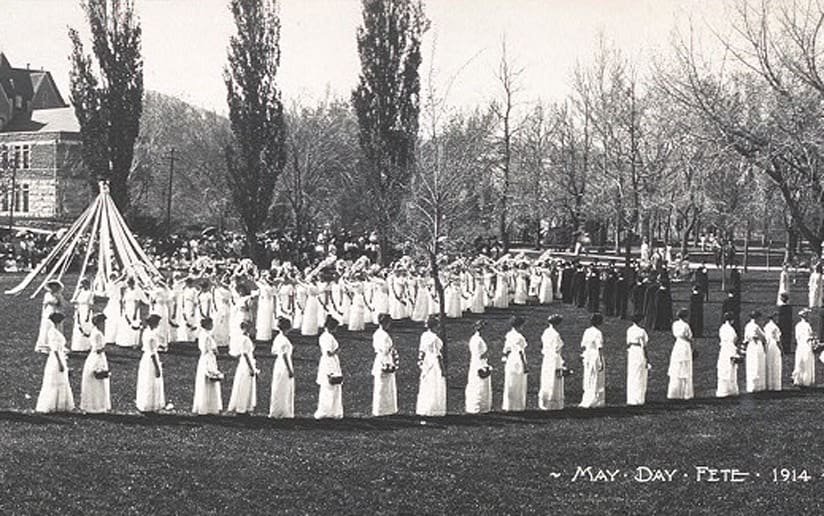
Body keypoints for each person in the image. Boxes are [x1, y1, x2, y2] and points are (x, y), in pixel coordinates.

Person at [35, 312, 74, 413]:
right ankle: (52, 404)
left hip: (60, 356)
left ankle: (61, 404)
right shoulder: (52, 332)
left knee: (62, 379)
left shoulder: (56, 331)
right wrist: (60, 363)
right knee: (55, 379)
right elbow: (54, 349)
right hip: (55, 358)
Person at [416, 315, 447, 417]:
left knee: (427, 383)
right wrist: (442, 368)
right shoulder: (435, 338)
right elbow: (438, 355)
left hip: (426, 362)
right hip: (433, 362)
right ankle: (434, 409)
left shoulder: (424, 335)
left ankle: (425, 408)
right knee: (435, 383)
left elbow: (421, 351)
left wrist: (420, 362)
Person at [80, 313, 111, 414]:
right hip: (98, 358)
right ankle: (97, 406)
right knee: (97, 380)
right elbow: (98, 350)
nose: (104, 324)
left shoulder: (94, 331)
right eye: (102, 322)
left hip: (93, 357)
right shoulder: (97, 333)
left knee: (94, 381)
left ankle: (93, 405)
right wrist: (105, 348)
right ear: (98, 322)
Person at [192, 318, 223, 415]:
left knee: (207, 381)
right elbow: (207, 349)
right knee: (207, 379)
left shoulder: (204, 335)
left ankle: (208, 406)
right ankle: (206, 407)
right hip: (208, 359)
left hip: (207, 358)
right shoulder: (206, 336)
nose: (212, 325)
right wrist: (213, 352)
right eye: (211, 323)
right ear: (207, 325)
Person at [315, 316, 344, 419]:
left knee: (331, 386)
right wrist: (337, 351)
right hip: (329, 362)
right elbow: (328, 352)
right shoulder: (328, 337)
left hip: (330, 361)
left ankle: (332, 410)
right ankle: (328, 411)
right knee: (330, 385)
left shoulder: (324, 336)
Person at [136, 314, 165, 413]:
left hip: (146, 358)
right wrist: (157, 367)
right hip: (151, 359)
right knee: (151, 380)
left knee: (147, 380)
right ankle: (150, 404)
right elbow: (152, 352)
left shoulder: (146, 332)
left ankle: (146, 403)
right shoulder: (151, 335)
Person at [227, 320, 258, 414]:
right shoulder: (244, 339)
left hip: (245, 362)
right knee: (244, 385)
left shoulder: (244, 338)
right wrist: (251, 368)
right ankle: (241, 407)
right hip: (245, 363)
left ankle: (245, 407)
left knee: (245, 385)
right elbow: (245, 354)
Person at [371, 314, 398, 416]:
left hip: (380, 358)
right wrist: (392, 349)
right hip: (384, 359)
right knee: (384, 384)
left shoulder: (377, 333)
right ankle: (384, 409)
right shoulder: (384, 335)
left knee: (381, 385)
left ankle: (382, 408)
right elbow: (385, 350)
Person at [269, 317, 295, 418]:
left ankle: (277, 409)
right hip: (284, 363)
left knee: (278, 386)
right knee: (284, 386)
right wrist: (289, 370)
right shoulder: (284, 340)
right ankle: (283, 411)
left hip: (278, 363)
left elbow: (273, 351)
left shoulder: (278, 338)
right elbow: (284, 355)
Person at [465, 320, 493, 414]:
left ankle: (481, 405)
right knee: (479, 384)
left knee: (479, 384)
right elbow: (478, 355)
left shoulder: (474, 338)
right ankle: (477, 406)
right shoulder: (477, 340)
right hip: (479, 363)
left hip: (477, 362)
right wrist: (483, 366)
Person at [539, 314, 565, 411]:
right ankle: (553, 402)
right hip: (554, 358)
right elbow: (557, 349)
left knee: (547, 377)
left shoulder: (546, 332)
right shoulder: (555, 335)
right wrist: (561, 361)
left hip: (546, 358)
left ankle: (545, 401)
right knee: (554, 378)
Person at [502, 316, 529, 411]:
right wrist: (525, 365)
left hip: (511, 359)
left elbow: (506, 349)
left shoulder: (509, 334)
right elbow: (520, 352)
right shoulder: (519, 337)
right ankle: (517, 405)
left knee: (511, 380)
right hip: (517, 359)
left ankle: (509, 404)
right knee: (518, 381)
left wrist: (505, 358)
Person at [579, 313, 605, 408]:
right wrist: (601, 360)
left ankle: (587, 398)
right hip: (594, 355)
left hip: (587, 354)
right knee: (596, 376)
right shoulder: (598, 333)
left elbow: (583, 345)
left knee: (588, 376)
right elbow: (599, 347)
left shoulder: (587, 331)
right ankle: (595, 399)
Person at [668, 309, 694, 400]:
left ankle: (674, 392)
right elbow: (689, 336)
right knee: (685, 366)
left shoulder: (675, 324)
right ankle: (685, 393)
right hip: (685, 345)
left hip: (678, 345)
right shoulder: (686, 325)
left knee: (677, 366)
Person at [35, 280, 65, 353]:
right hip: (47, 311)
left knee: (55, 326)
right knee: (46, 327)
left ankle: (56, 345)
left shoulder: (59, 295)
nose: (53, 287)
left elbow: (61, 305)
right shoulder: (47, 294)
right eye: (52, 286)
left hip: (55, 311)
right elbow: (45, 304)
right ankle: (44, 345)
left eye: (55, 286)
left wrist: (57, 303)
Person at [626, 314, 649, 406]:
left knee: (632, 373)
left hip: (631, 352)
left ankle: (631, 397)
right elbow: (645, 346)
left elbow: (628, 342)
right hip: (639, 351)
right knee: (639, 373)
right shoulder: (642, 331)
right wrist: (647, 359)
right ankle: (638, 398)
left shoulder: (629, 330)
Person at [743, 311, 767, 393]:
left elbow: (745, 338)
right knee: (757, 364)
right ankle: (758, 385)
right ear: (757, 318)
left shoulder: (747, 326)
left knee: (751, 364)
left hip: (750, 347)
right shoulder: (756, 327)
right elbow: (763, 337)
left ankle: (751, 385)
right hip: (756, 346)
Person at [792, 309, 816, 387]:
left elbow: (797, 337)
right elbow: (810, 336)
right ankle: (806, 381)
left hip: (800, 345)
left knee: (799, 362)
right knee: (807, 362)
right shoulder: (808, 326)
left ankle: (798, 380)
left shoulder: (797, 325)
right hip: (806, 345)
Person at [70, 278, 93, 352]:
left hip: (85, 310)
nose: (83, 286)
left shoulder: (90, 293)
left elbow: (90, 305)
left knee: (85, 326)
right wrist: (77, 292)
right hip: (79, 310)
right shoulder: (79, 292)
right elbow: (73, 300)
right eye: (82, 284)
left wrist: (88, 315)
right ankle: (77, 346)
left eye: (84, 284)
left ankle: (85, 346)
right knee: (78, 326)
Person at [763, 312, 783, 391]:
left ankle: (769, 383)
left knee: (769, 362)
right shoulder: (775, 327)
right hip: (774, 344)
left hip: (767, 344)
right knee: (775, 362)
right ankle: (775, 385)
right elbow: (778, 340)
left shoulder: (766, 326)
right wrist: (781, 349)